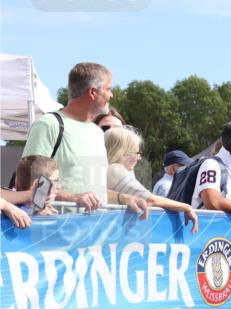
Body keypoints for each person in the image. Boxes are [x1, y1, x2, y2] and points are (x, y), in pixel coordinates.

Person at [22, 62, 146, 216]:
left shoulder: (97, 132)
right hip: (55, 235)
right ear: (93, 92)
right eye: (108, 89)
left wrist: (124, 198)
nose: (111, 95)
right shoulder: (49, 125)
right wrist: (73, 198)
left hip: (95, 235)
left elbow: (96, 192)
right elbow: (27, 184)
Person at [104, 127, 199, 233]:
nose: (139, 158)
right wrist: (186, 207)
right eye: (137, 153)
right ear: (123, 152)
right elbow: (150, 199)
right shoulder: (115, 169)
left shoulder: (107, 169)